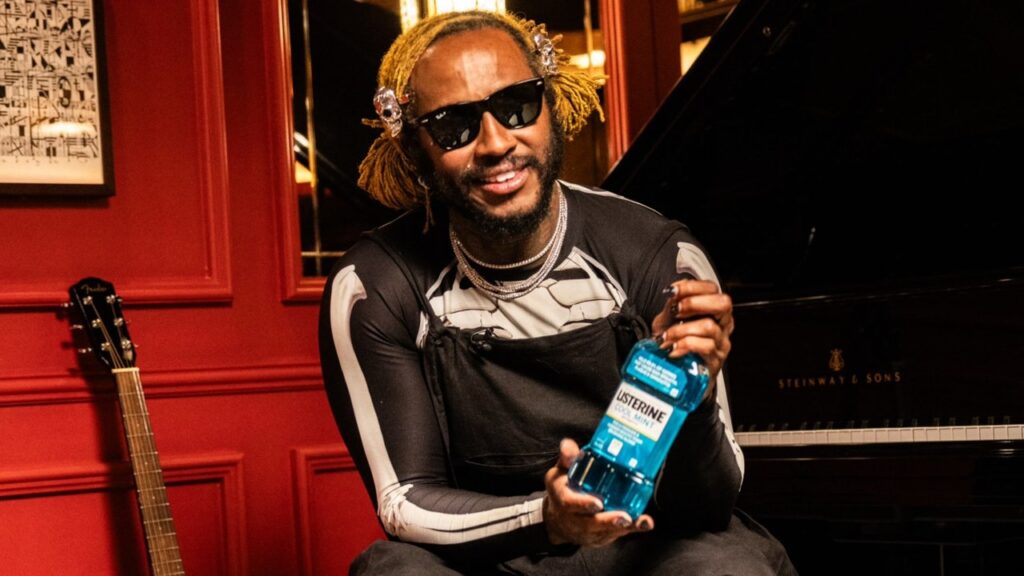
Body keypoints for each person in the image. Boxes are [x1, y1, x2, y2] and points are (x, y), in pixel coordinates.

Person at [319, 10, 796, 575]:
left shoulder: (660, 255)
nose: (496, 143)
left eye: (517, 105)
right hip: (491, 556)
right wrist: (548, 517)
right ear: (414, 149)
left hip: (647, 550)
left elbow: (711, 503)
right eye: (453, 126)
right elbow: (407, 502)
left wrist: (694, 389)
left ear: (552, 104)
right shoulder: (373, 285)